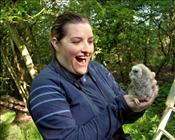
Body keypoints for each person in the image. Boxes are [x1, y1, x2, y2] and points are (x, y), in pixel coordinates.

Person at [27, 12, 158, 140]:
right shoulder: (44, 87)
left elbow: (124, 114)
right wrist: (121, 107)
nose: (87, 49)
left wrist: (138, 103)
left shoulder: (97, 69)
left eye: (90, 41)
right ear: (56, 43)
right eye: (76, 41)